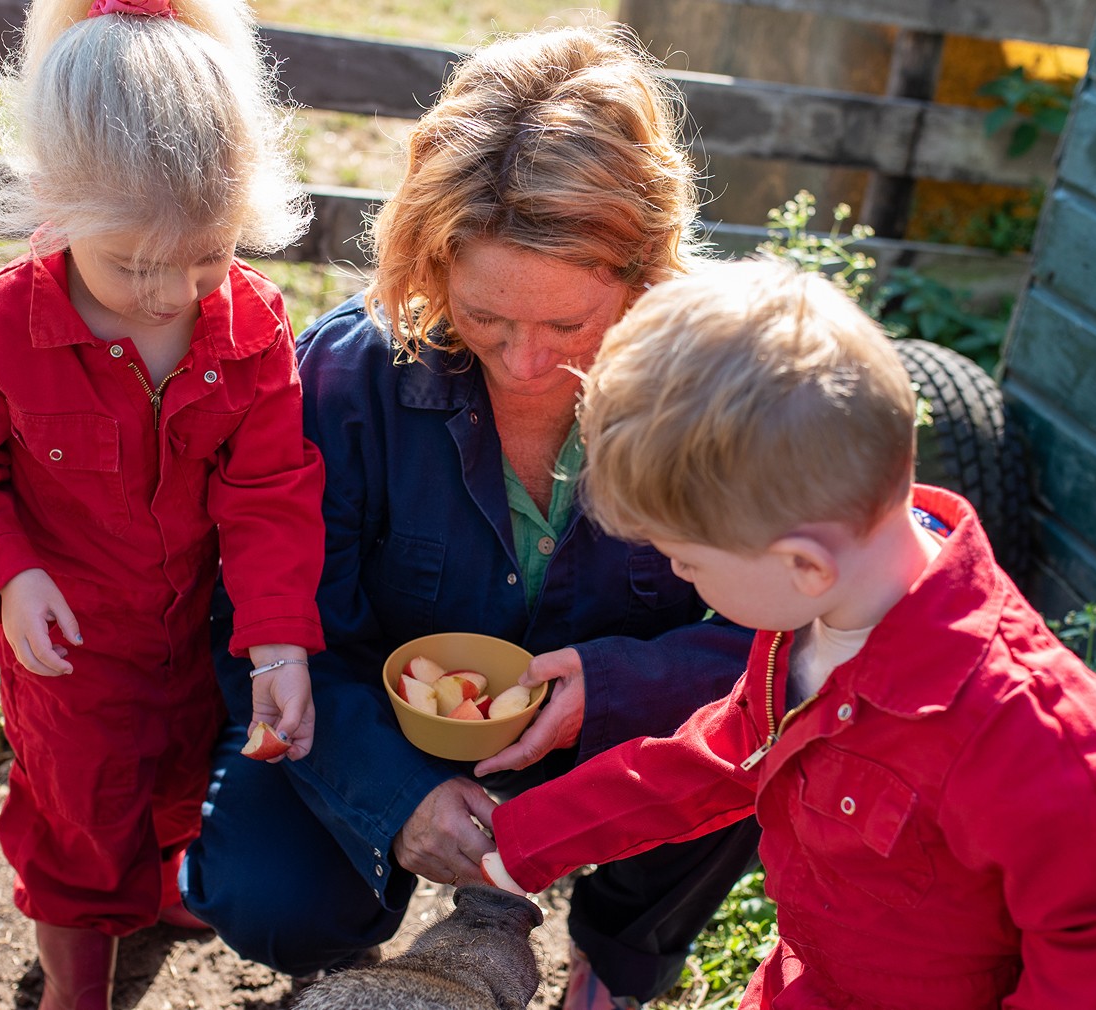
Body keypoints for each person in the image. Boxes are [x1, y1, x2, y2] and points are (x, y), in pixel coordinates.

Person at [181, 24, 761, 1010]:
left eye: (568, 325)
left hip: (612, 737)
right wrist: (393, 794)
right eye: (487, 316)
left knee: (756, 748)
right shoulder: (350, 374)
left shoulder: (716, 385)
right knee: (269, 893)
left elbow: (790, 638)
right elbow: (270, 631)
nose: (525, 361)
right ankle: (379, 921)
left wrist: (617, 684)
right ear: (432, 258)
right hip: (391, 720)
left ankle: (614, 956)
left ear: (645, 270)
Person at [479, 260, 1096, 1009]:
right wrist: (525, 838)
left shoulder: (1026, 731)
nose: (681, 577)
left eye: (687, 560)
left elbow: (1090, 942)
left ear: (803, 563)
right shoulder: (812, 619)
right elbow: (722, 755)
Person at [0, 1, 322, 1006]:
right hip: (70, 649)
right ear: (58, 203)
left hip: (194, 634)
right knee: (78, 815)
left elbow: (269, 490)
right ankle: (76, 980)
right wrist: (13, 568)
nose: (172, 292)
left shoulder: (248, 323)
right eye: (133, 263)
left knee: (180, 786)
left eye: (207, 256)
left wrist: (279, 638)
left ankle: (164, 894)